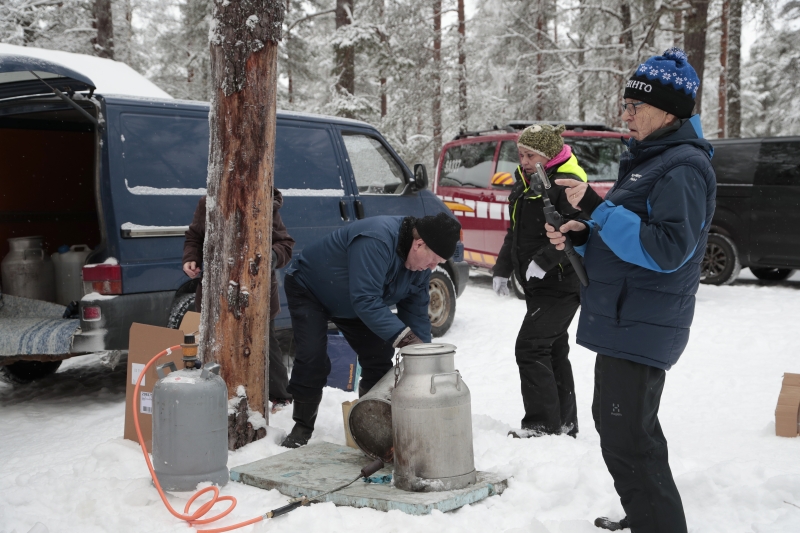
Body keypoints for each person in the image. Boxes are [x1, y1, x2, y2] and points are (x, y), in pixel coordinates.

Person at [546, 48, 716, 532]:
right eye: (625, 104)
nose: (625, 114)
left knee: (625, 432)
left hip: (642, 321)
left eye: (635, 105)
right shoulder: (653, 160)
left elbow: (666, 249)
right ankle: (648, 514)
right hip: (628, 318)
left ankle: (657, 523)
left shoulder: (681, 167)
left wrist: (597, 210)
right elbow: (629, 234)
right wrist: (581, 234)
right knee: (625, 426)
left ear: (668, 111)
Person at [280, 212, 461, 448]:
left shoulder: (419, 268)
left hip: (354, 302)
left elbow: (416, 315)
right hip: (311, 290)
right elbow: (365, 299)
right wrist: (405, 340)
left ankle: (370, 427)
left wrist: (423, 358)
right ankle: (301, 428)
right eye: (434, 259)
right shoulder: (376, 238)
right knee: (312, 357)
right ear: (419, 244)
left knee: (378, 357)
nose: (433, 267)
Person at [492, 124, 588, 439]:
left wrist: (544, 262)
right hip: (537, 285)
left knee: (530, 348)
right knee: (552, 349)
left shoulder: (568, 182)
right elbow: (515, 230)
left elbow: (573, 232)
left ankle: (541, 426)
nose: (523, 160)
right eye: (520, 154)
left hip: (561, 282)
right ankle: (563, 424)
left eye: (530, 154)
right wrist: (503, 268)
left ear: (546, 155)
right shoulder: (525, 181)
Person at [182, 189, 296, 411]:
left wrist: (269, 257)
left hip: (257, 292)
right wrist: (191, 258)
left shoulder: (265, 202)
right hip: (217, 291)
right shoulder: (208, 202)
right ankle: (216, 394)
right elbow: (194, 236)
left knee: (264, 344)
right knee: (216, 344)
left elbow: (285, 244)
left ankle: (280, 397)